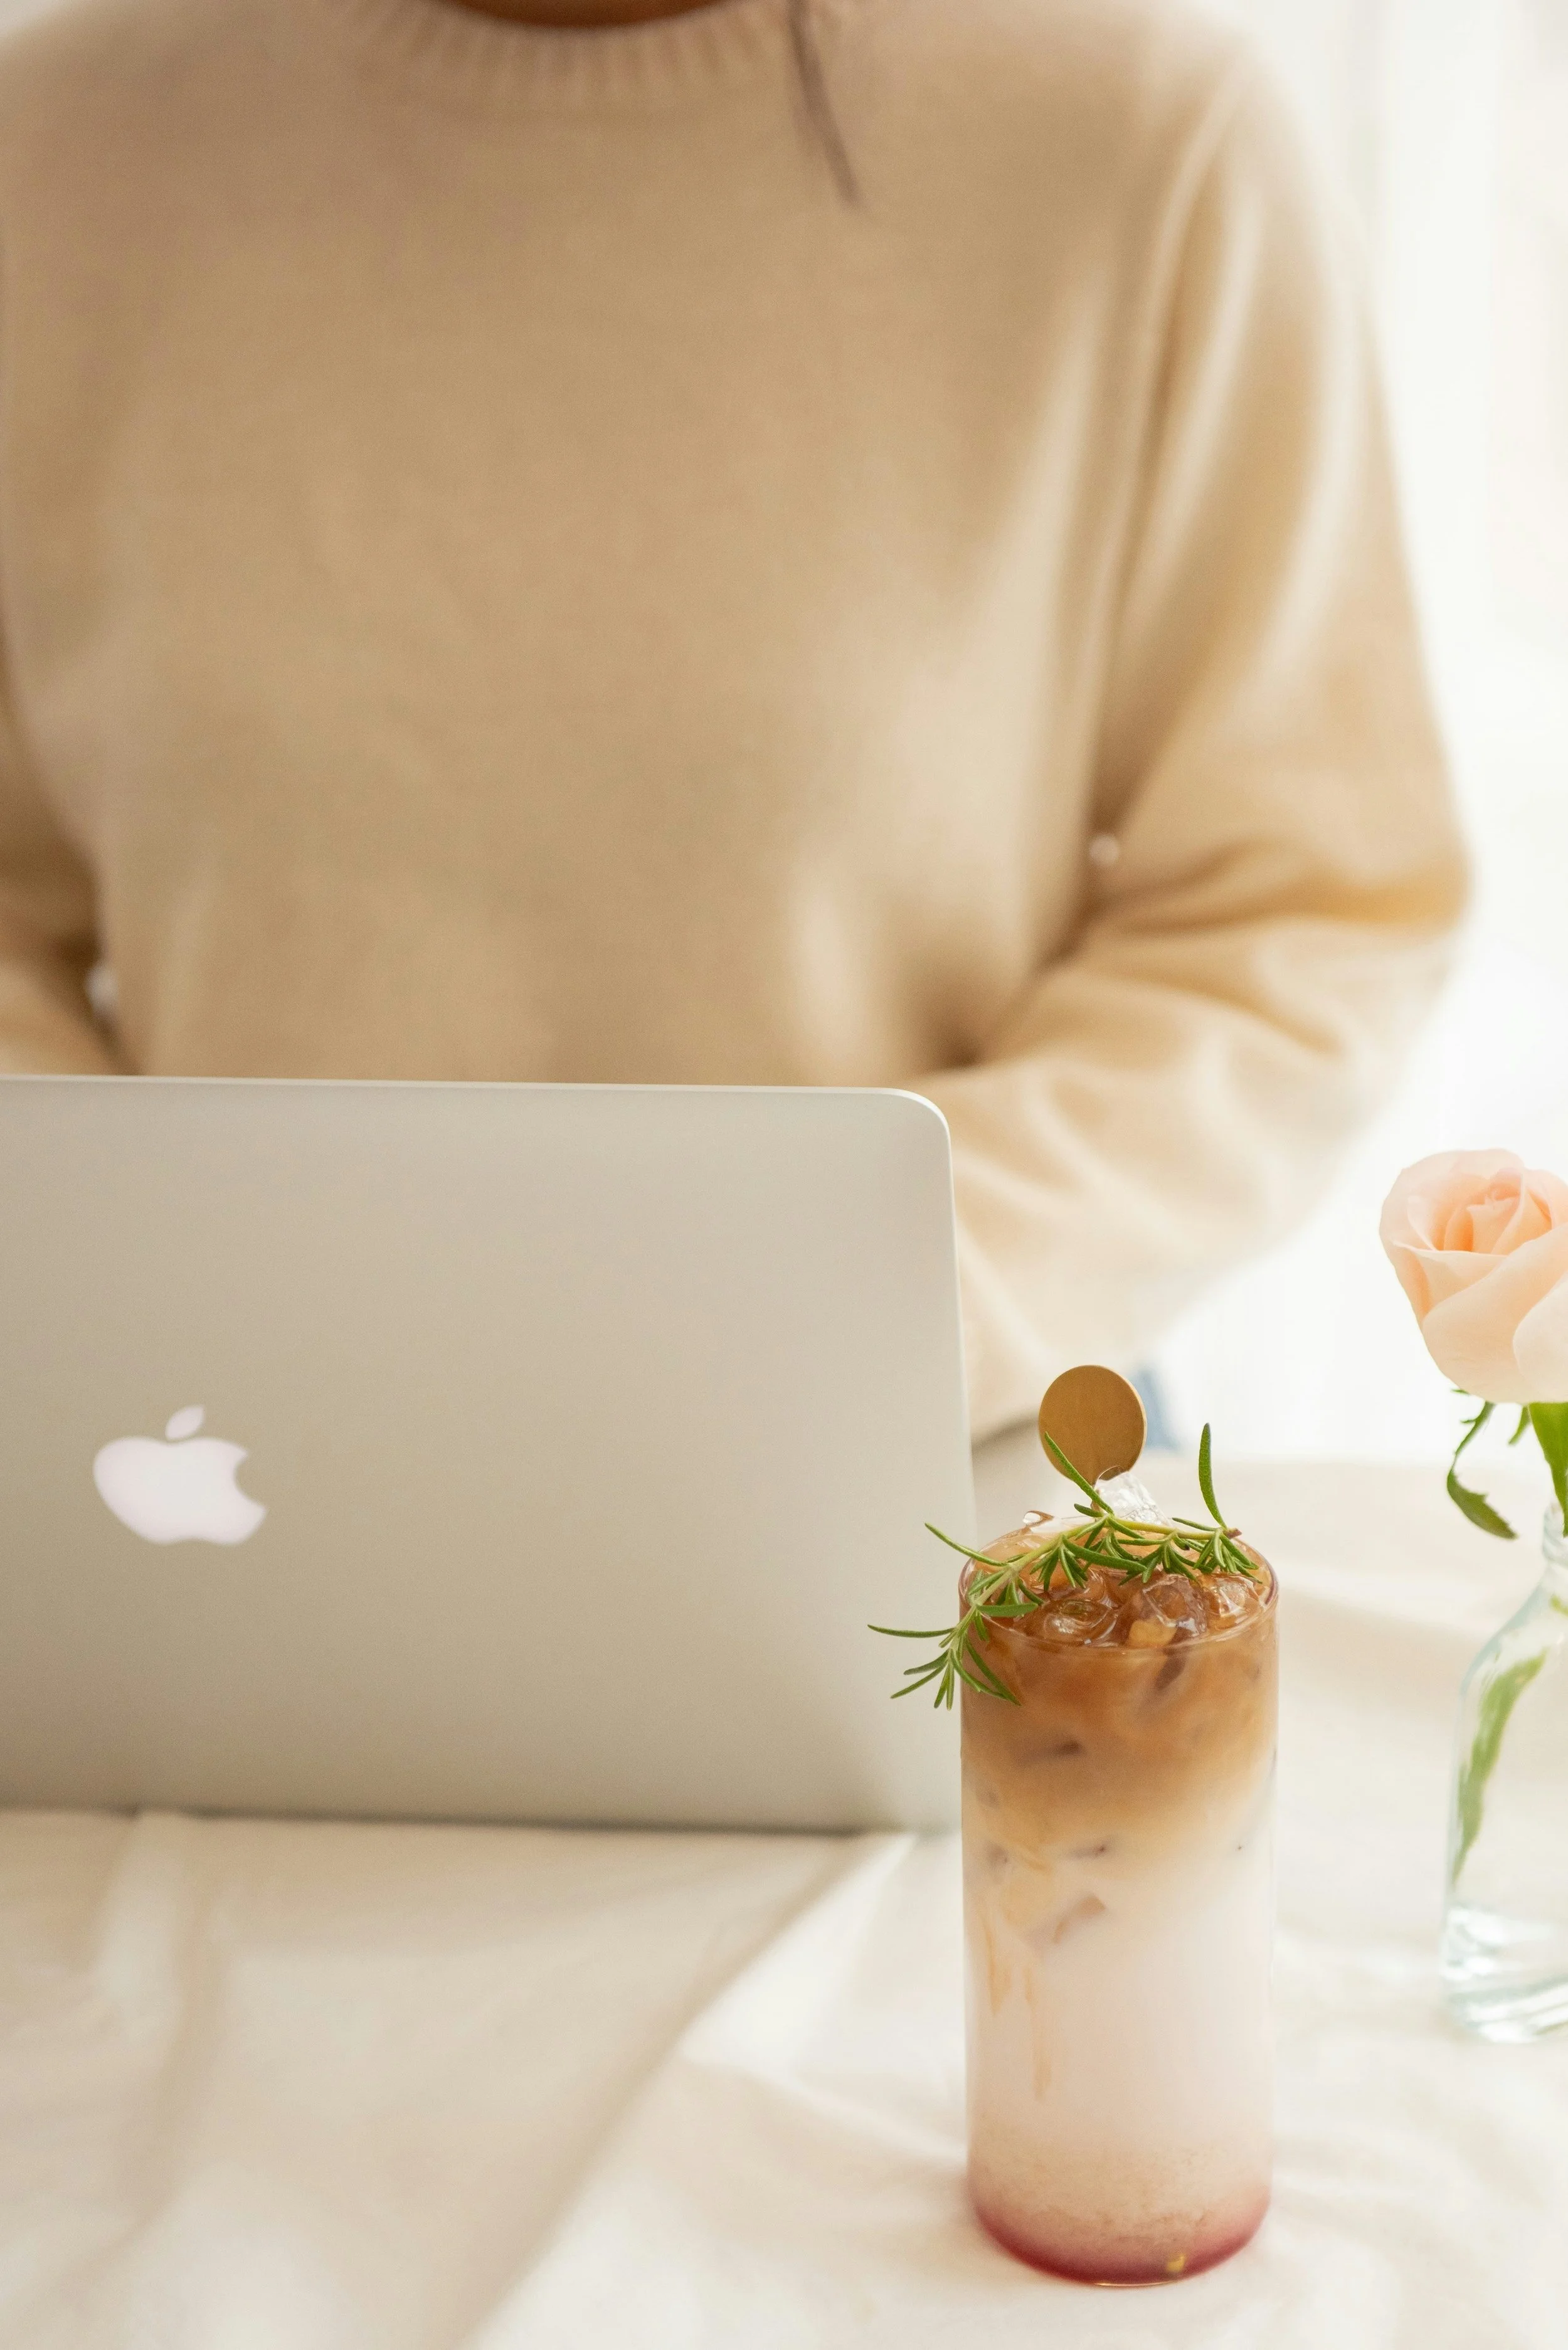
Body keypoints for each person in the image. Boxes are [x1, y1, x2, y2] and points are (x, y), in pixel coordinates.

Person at [0, 0, 1465, 1439]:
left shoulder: (1143, 137)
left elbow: (1301, 906)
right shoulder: (51, 143)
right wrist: (139, 1276)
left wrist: (894, 1290)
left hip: (919, 1452)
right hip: (211, 1456)